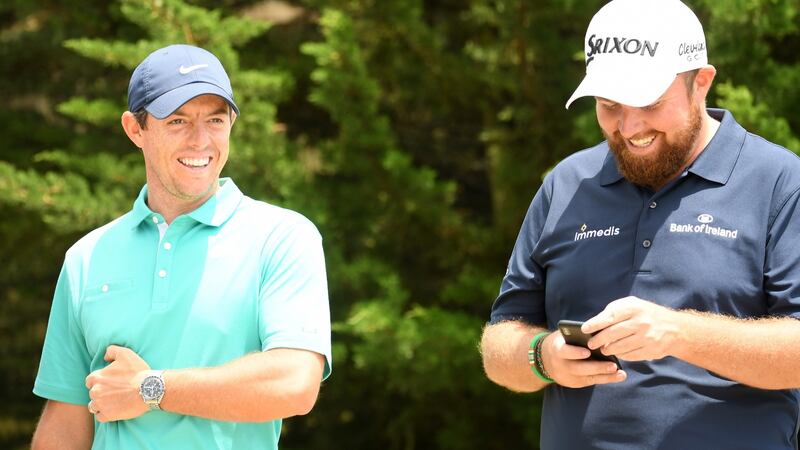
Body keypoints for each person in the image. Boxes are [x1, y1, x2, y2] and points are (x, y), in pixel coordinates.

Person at [480, 0, 800, 448]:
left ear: (701, 82)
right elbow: (500, 345)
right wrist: (543, 356)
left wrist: (680, 334)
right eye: (609, 105)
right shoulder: (566, 184)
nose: (629, 127)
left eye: (649, 102)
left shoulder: (779, 182)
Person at [30, 44, 331, 450]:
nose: (200, 140)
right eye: (177, 121)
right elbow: (66, 422)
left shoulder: (283, 238)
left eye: (215, 119)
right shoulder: (86, 257)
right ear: (135, 129)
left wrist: (150, 388)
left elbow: (294, 381)